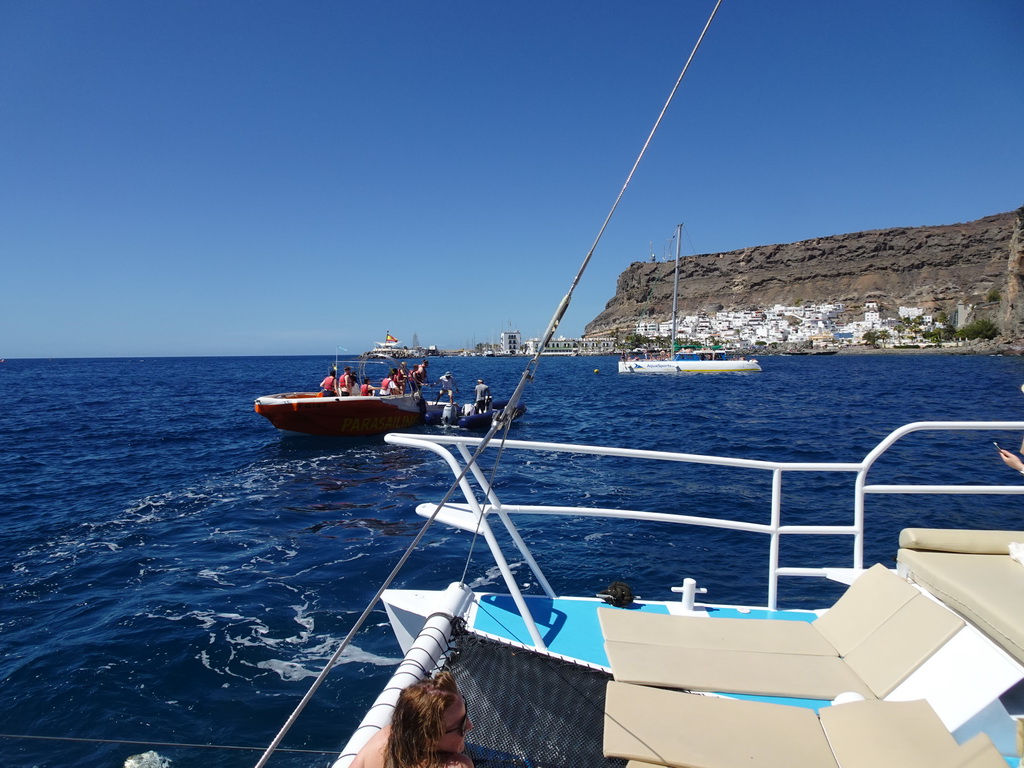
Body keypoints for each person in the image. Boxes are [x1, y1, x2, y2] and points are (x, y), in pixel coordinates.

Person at [351, 670, 473, 768]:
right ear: (429, 740)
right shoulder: (457, 765)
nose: (470, 725)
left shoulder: (384, 737)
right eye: (461, 727)